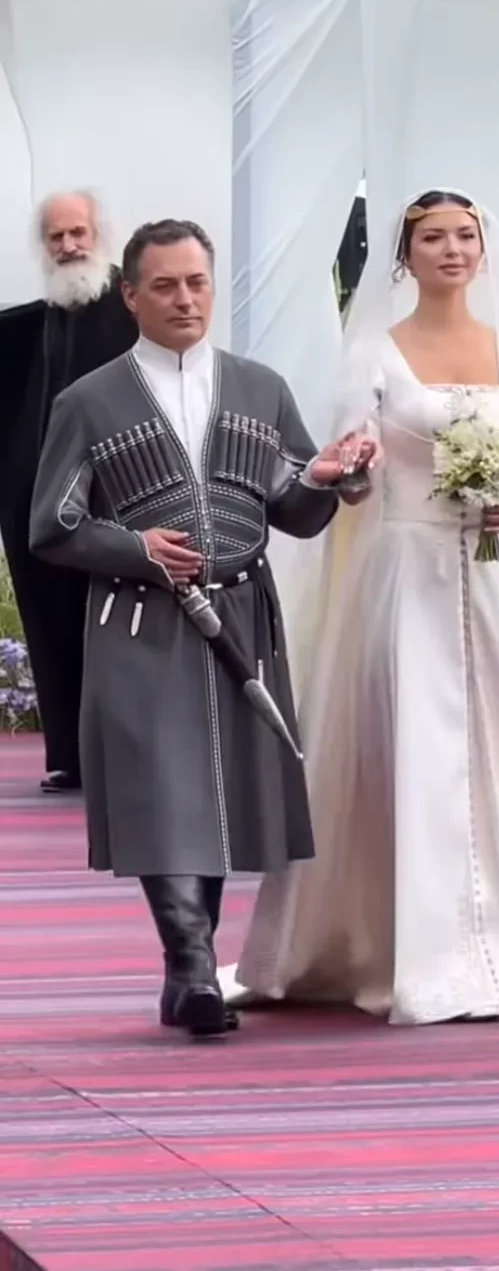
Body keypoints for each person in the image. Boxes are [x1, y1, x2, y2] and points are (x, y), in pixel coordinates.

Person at [221, 189, 499, 1025]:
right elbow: (351, 472)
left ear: (484, 249)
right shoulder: (372, 351)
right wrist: (355, 471)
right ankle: (406, 943)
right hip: (408, 570)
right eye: (434, 238)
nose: (452, 250)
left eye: (465, 236)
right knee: (411, 743)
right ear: (404, 256)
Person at [28, 219, 374, 1037]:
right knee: (164, 787)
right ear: (130, 296)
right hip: (137, 619)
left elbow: (294, 509)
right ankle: (189, 968)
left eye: (197, 283)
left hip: (243, 614)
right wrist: (135, 548)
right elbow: (50, 525)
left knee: (219, 789)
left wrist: (333, 478)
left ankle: (192, 971)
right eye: (165, 286)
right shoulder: (89, 402)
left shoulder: (261, 389)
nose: (185, 299)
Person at [0, 192, 137, 793]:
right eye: (56, 237)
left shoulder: (131, 310)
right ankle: (71, 756)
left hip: (113, 507)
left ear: (99, 235)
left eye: (78, 233)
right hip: (44, 509)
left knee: (115, 630)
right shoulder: (45, 316)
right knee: (54, 628)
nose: (69, 246)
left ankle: (121, 757)